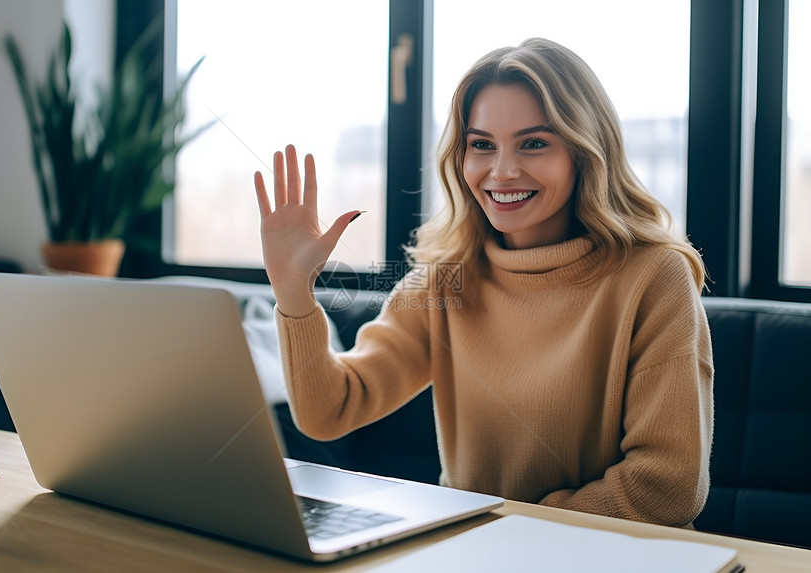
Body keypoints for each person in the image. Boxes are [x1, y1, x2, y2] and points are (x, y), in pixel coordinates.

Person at [253, 37, 713, 526]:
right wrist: (293, 292)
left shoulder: (652, 277)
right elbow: (331, 411)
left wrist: (506, 533)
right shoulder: (445, 279)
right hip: (470, 550)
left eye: (533, 143)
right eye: (482, 145)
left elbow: (667, 486)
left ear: (584, 151)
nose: (503, 171)